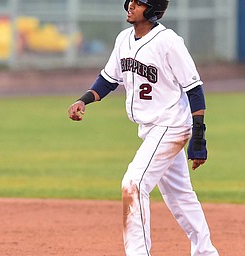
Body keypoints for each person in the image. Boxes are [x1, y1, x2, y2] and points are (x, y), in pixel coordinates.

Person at [68, 0, 219, 255]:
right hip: (152, 129)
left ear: (152, 9)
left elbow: (194, 90)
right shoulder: (123, 39)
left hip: (170, 125)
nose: (131, 6)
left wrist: (199, 138)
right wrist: (84, 100)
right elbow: (108, 79)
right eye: (131, 1)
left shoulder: (168, 41)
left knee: (133, 183)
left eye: (139, 3)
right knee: (179, 196)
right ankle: (206, 252)